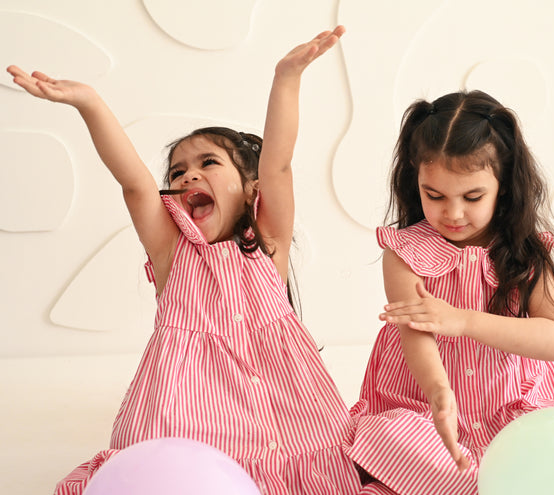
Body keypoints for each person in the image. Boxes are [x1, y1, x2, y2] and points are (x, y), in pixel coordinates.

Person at [8, 26, 363, 495]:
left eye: (209, 163)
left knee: (313, 470)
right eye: (178, 170)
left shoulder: (267, 241)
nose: (189, 172)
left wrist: (286, 77)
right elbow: (135, 183)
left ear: (250, 189)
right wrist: (90, 102)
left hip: (285, 404)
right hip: (189, 410)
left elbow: (277, 163)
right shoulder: (172, 251)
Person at [343, 90, 554, 495]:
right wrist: (438, 393)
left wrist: (463, 320)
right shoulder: (405, 252)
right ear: (416, 180)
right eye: (435, 196)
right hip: (423, 407)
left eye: (473, 196)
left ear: (504, 185)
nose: (454, 213)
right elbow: (415, 334)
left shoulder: (525, 252)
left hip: (511, 406)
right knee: (391, 442)